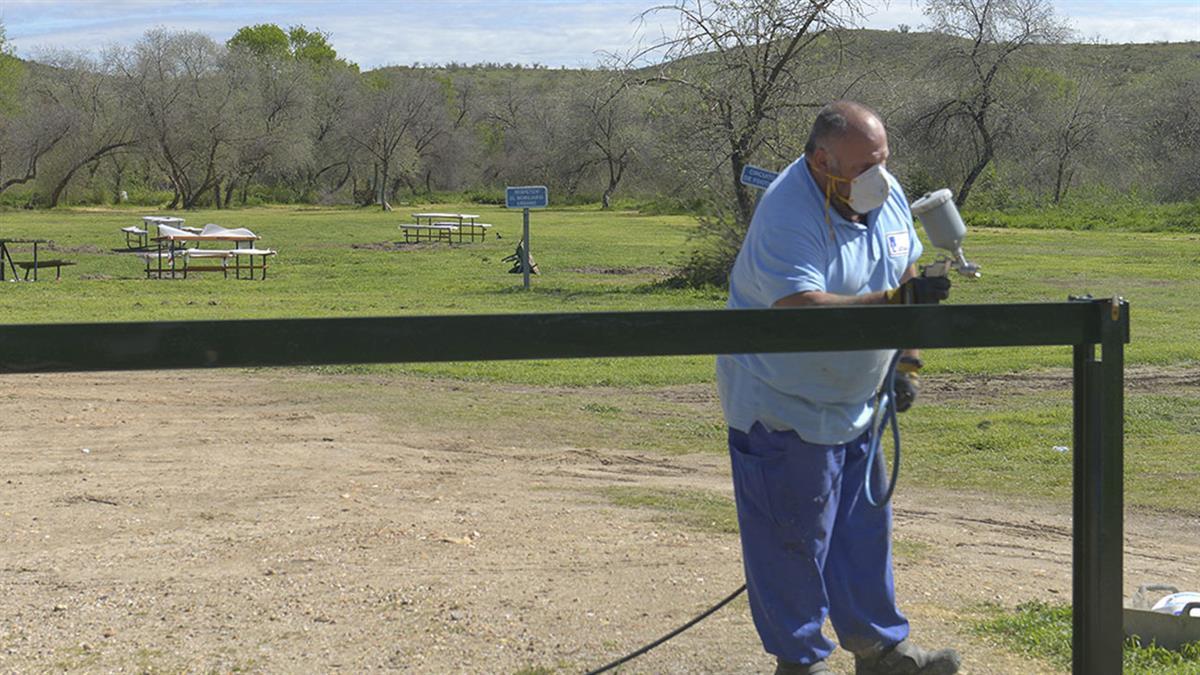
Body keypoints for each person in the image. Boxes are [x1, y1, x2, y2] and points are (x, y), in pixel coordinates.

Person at [716, 101, 960, 675]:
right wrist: (893, 304)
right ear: (821, 161)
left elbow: (904, 267)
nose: (879, 176)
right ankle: (800, 663)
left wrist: (907, 361)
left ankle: (880, 651)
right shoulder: (787, 211)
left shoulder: (883, 193)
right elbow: (799, 307)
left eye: (883, 160)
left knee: (862, 530)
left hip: (858, 404)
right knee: (792, 542)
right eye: (863, 167)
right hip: (783, 407)